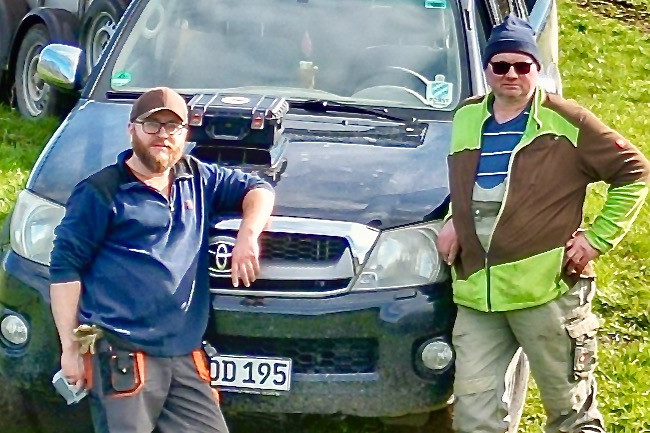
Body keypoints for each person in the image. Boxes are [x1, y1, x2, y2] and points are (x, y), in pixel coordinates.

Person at [436, 15, 649, 433]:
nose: (511, 75)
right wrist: (453, 220)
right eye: (500, 66)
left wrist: (597, 237)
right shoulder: (465, 118)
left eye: (522, 65)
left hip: (547, 291)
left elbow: (634, 172)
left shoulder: (567, 119)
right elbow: (467, 185)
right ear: (487, 70)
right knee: (472, 417)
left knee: (570, 413)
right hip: (478, 294)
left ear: (538, 68)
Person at [49, 87, 275, 433]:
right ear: (132, 130)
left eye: (174, 128)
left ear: (185, 134)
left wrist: (249, 234)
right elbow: (65, 270)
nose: (163, 136)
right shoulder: (101, 192)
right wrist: (70, 348)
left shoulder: (198, 178)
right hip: (122, 355)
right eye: (153, 125)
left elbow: (258, 189)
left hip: (183, 355)